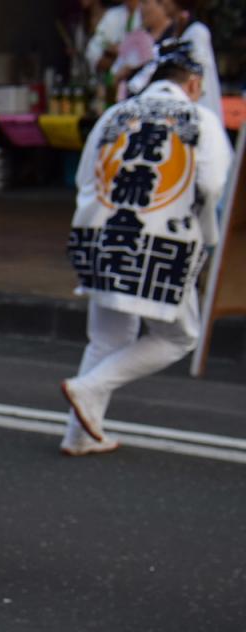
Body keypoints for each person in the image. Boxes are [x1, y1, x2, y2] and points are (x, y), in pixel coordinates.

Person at [61, 40, 231, 456]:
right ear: (193, 84)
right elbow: (210, 185)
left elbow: (85, 178)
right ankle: (89, 388)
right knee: (180, 336)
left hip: (104, 236)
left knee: (106, 337)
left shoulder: (114, 115)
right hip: (165, 242)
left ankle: (79, 434)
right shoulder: (199, 119)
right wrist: (207, 234)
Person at [158, 0, 223, 124]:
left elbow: (200, 76)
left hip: (197, 101)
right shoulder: (172, 30)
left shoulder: (197, 31)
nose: (163, 3)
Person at [85, 0, 142, 75]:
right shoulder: (112, 14)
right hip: (110, 74)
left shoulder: (149, 13)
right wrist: (115, 64)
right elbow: (93, 48)